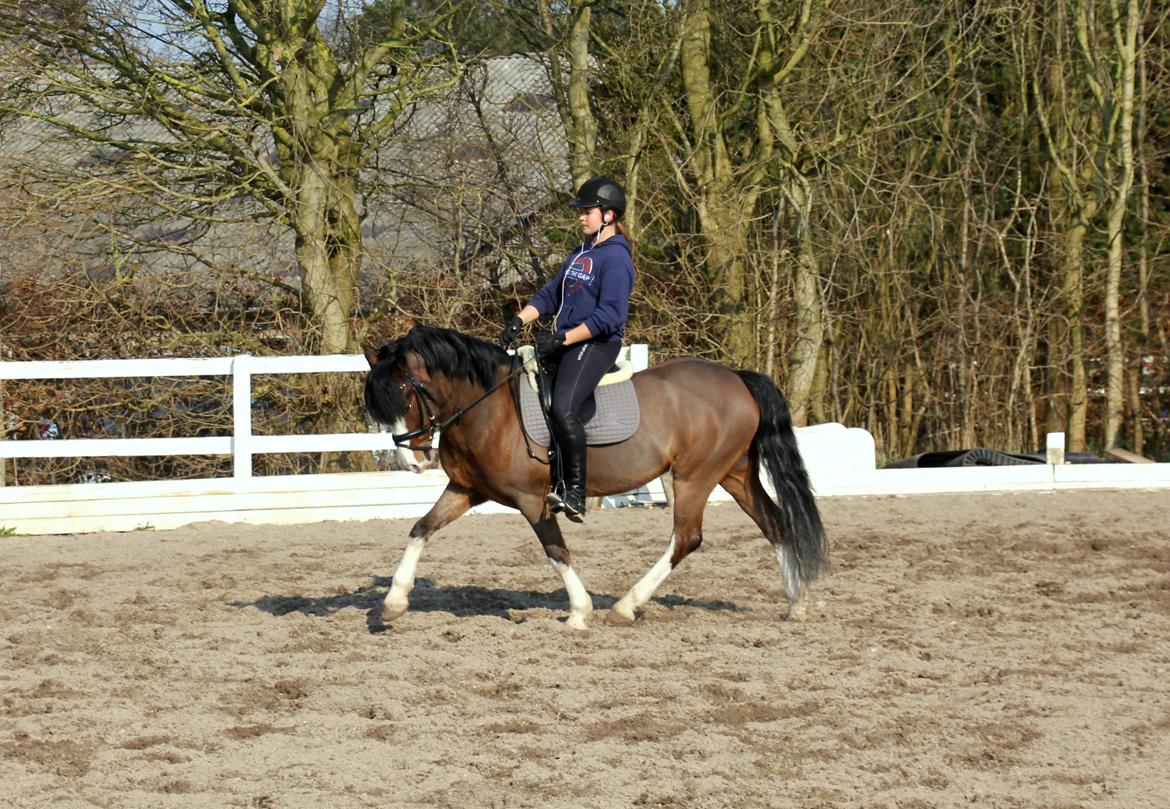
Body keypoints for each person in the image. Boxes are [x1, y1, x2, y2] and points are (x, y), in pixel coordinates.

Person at [498, 176, 635, 522]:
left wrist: (562, 339)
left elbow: (610, 315)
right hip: (571, 340)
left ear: (608, 215)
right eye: (580, 211)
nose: (580, 216)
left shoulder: (616, 258)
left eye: (587, 211)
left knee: (563, 407)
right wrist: (519, 320)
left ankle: (575, 491)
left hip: (596, 344)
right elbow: (550, 295)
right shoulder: (581, 253)